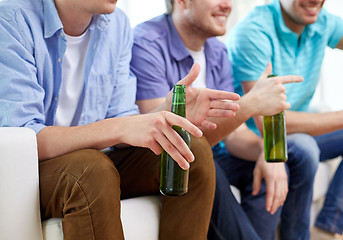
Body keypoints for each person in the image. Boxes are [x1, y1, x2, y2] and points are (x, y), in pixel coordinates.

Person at [0, 0, 247, 239]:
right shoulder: (11, 18)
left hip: (98, 161)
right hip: (34, 170)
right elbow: (26, 140)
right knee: (90, 169)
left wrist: (166, 111)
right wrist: (120, 127)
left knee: (191, 151)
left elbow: (123, 122)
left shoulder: (116, 24)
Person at [130, 0, 307, 239]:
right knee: (203, 161)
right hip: (168, 160)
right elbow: (163, 138)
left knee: (276, 161)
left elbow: (235, 134)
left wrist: (265, 151)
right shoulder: (146, 43)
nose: (227, 5)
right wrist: (251, 103)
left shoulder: (217, 51)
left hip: (215, 154)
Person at [226, 0, 343, 239]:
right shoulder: (254, 32)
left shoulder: (321, 21)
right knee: (304, 147)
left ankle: (325, 229)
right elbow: (267, 122)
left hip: (296, 134)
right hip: (257, 139)